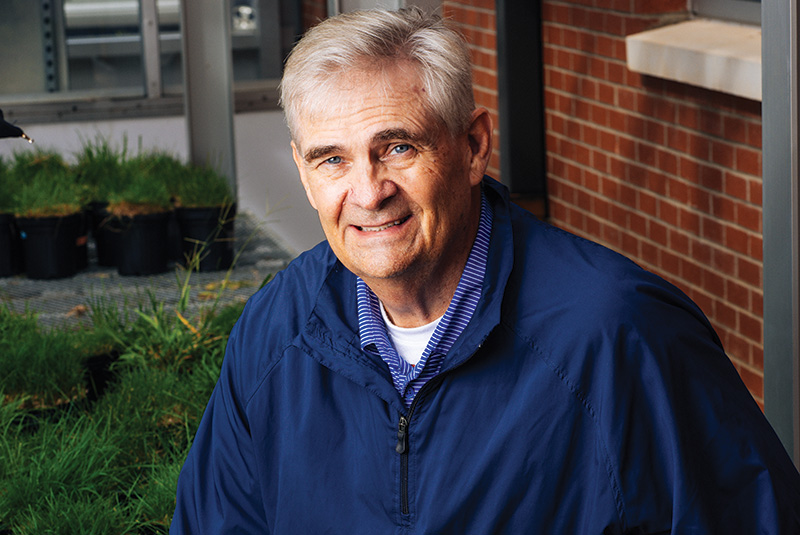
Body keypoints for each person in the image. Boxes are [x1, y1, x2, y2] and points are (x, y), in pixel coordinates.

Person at [171, 8, 800, 533]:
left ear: (474, 147)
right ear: (303, 172)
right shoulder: (276, 331)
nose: (368, 191)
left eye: (397, 147)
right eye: (331, 159)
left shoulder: (620, 336)